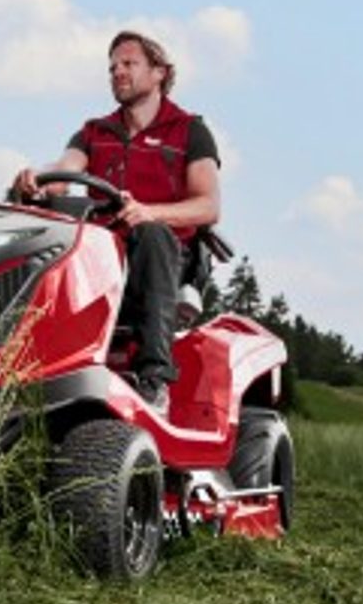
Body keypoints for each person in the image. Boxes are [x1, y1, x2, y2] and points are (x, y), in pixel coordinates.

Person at [13, 30, 222, 413]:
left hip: (167, 256)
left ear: (159, 72)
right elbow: (64, 172)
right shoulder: (95, 132)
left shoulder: (189, 130)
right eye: (112, 68)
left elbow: (208, 206)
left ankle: (155, 378)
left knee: (152, 234)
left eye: (128, 64)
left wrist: (151, 212)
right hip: (106, 254)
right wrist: (36, 181)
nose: (118, 73)